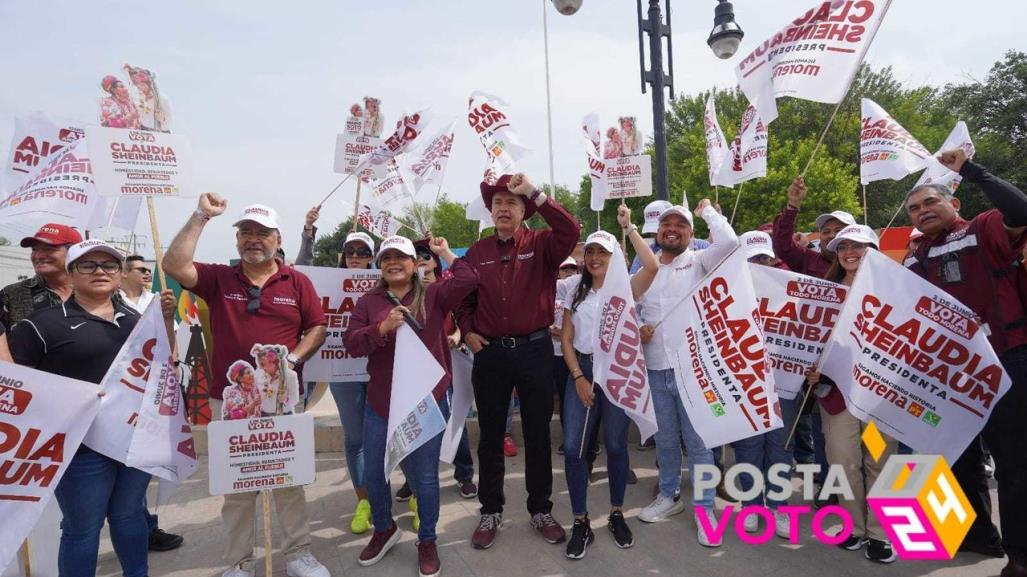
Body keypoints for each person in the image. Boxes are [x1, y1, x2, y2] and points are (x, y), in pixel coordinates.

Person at [162, 196, 330, 577]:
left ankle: (299, 553)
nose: (254, 239)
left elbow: (317, 327)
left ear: (277, 238)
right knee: (237, 486)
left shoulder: (297, 281)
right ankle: (238, 561)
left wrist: (293, 359)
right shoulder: (220, 278)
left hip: (283, 400)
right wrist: (201, 216)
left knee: (290, 479)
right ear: (237, 239)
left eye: (262, 233)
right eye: (246, 233)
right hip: (233, 401)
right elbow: (173, 265)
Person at [9, 239, 176, 577]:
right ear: (71, 273)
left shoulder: (136, 321)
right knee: (82, 529)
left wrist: (167, 320)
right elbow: (16, 387)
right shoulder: (41, 325)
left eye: (109, 265)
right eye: (88, 265)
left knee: (129, 517)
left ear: (120, 273)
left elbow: (163, 363)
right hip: (79, 450)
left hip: (133, 441)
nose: (99, 271)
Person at [902, 149, 1027, 577]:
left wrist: (970, 170)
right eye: (914, 208)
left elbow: (1021, 209)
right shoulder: (915, 254)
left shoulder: (983, 228)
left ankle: (1020, 555)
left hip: (1006, 362)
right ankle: (977, 535)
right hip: (948, 375)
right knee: (957, 457)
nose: (921, 212)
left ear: (953, 203)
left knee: (1013, 462)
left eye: (929, 202)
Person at [455, 172, 581, 549]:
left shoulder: (543, 244)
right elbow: (463, 298)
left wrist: (535, 192)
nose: (503, 208)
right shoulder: (477, 253)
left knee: (539, 434)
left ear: (524, 210)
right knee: (491, 436)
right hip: (491, 353)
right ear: (490, 211)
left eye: (511, 202)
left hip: (535, 350)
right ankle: (490, 510)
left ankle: (540, 508)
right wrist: (467, 328)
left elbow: (571, 229)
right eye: (497, 203)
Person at [343, 235, 478, 577]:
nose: (393, 263)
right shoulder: (369, 301)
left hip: (426, 403)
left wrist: (443, 249)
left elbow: (469, 279)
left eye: (400, 257)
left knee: (425, 477)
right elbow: (352, 344)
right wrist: (382, 327)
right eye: (386, 257)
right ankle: (384, 529)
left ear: (413, 263)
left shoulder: (434, 294)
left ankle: (428, 539)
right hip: (381, 404)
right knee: (375, 472)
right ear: (380, 265)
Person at [635, 200, 738, 547]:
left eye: (681, 225)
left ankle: (705, 507)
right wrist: (638, 327)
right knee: (665, 440)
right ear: (658, 231)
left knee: (697, 444)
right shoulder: (644, 270)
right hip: (654, 368)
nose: (673, 230)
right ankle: (669, 496)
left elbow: (730, 242)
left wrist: (708, 210)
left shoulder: (700, 260)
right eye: (667, 224)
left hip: (693, 370)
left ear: (691, 234)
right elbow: (625, 310)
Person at [560, 206, 659, 559]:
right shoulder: (575, 290)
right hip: (584, 371)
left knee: (617, 446)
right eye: (591, 251)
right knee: (573, 448)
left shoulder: (626, 288)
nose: (595, 257)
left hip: (617, 373)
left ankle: (616, 512)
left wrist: (629, 227)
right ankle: (580, 521)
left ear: (614, 256)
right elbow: (567, 340)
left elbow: (652, 267)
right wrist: (578, 377)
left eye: (603, 251)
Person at [805, 224, 898, 563]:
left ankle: (880, 534)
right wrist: (812, 366)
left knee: (879, 461)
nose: (850, 251)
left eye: (859, 245)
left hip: (877, 399)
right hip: (837, 398)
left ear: (873, 249)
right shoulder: (826, 293)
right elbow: (809, 341)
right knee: (843, 461)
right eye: (844, 246)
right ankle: (855, 529)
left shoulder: (894, 290)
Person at [296, 205, 378, 534]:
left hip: (377, 371)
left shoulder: (382, 281)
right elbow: (301, 270)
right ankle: (364, 500)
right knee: (356, 438)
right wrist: (308, 234)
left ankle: (399, 492)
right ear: (343, 256)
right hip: (342, 371)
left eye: (363, 251)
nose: (356, 256)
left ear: (372, 257)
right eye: (350, 251)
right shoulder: (326, 281)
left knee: (387, 434)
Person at [730, 230, 801, 539]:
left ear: (773, 258)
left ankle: (779, 505)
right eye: (750, 259)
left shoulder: (795, 290)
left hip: (784, 382)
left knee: (780, 446)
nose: (757, 263)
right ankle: (750, 505)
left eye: (762, 257)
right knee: (748, 445)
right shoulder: (730, 293)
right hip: (746, 383)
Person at [116, 253, 187, 551]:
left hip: (153, 391)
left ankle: (143, 526)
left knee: (142, 463)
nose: (147, 274)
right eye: (140, 270)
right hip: (119, 394)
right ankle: (139, 527)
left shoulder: (159, 300)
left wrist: (168, 317)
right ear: (123, 273)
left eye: (148, 269)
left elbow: (170, 346)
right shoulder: (111, 301)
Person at [414, 238, 479, 500]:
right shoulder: (404, 292)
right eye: (415, 254)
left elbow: (462, 316)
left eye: (426, 255)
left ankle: (464, 473)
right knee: (416, 423)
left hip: (447, 363)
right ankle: (413, 478)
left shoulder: (445, 289)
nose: (421, 259)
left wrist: (457, 334)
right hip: (415, 367)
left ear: (436, 262)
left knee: (453, 419)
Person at [771, 175, 856, 278]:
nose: (832, 235)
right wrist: (794, 203)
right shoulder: (807, 260)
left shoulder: (867, 268)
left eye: (838, 230)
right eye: (826, 231)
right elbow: (782, 244)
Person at [1, 223, 81, 328]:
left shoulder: (98, 292)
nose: (38, 256)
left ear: (75, 253)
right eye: (34, 249)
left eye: (49, 248)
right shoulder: (11, 295)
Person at [252, 344, 301, 415]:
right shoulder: (258, 375)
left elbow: (295, 398)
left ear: (274, 363)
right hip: (264, 415)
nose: (260, 367)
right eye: (259, 364)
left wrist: (286, 399)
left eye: (263, 364)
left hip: (284, 415)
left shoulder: (290, 375)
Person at [123, 64, 172, 132]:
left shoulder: (162, 99)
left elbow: (168, 123)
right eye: (136, 83)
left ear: (148, 82)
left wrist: (162, 118)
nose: (138, 86)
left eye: (141, 83)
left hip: (159, 134)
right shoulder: (136, 99)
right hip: (142, 134)